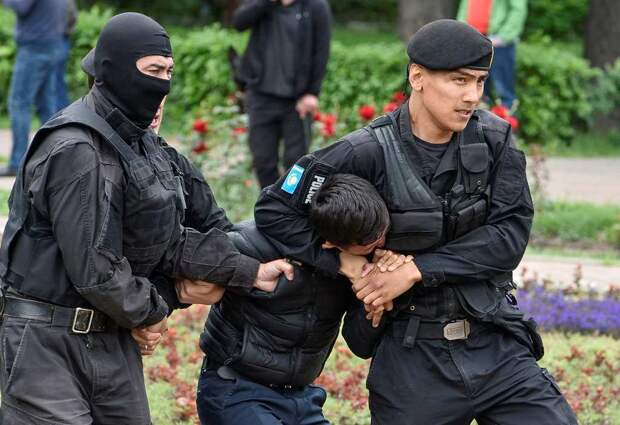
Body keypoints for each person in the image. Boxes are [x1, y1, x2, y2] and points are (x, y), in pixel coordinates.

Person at [255, 19, 578, 425]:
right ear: (417, 77)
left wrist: (414, 269)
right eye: (459, 80)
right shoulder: (365, 150)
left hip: (495, 344)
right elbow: (274, 209)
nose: (472, 96)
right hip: (412, 357)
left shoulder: (494, 140)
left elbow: (509, 236)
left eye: (479, 82)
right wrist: (346, 264)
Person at [0, 13, 293, 424]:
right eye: (153, 70)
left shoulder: (143, 145)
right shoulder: (76, 150)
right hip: (45, 344)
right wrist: (158, 305)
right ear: (115, 68)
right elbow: (98, 271)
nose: (163, 84)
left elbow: (169, 238)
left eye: (168, 72)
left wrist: (249, 271)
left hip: (112, 338)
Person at [196, 174, 408, 425]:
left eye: (383, 232)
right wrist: (251, 274)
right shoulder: (255, 242)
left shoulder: (357, 265)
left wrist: (372, 306)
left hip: (301, 398)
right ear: (331, 243)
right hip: (236, 390)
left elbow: (360, 346)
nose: (382, 243)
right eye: (371, 242)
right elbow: (197, 264)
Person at [232, 0, 332, 188]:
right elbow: (238, 22)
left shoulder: (315, 6)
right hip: (261, 95)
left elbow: (321, 51)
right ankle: (270, 203)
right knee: (263, 161)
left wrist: (311, 93)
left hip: (297, 101)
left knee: (296, 165)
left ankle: (290, 204)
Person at [1, 0, 67, 177]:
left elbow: (20, 6)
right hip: (53, 42)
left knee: (19, 104)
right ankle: (56, 159)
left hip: (35, 46)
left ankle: (17, 162)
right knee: (47, 107)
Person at [458, 0, 527, 110]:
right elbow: (464, 8)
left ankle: (506, 117)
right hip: (472, 39)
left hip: (498, 42)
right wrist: (460, 31)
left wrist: (503, 37)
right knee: (477, 92)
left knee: (504, 94)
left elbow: (518, 9)